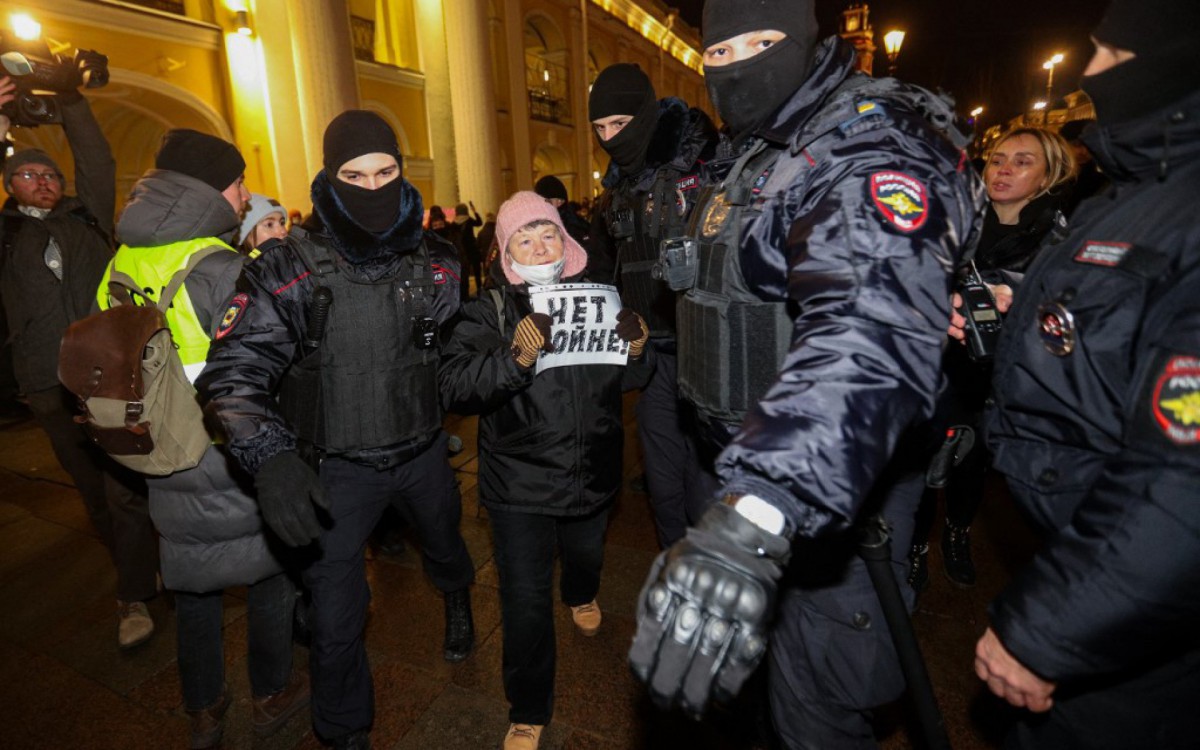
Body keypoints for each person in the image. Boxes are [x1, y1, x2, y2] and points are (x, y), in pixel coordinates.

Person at [627, 2, 983, 747]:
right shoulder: (757, 150)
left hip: (828, 494)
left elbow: (868, 329)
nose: (737, 67)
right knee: (755, 696)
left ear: (807, 41)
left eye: (759, 43)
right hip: (744, 463)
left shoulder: (868, 142)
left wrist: (753, 519)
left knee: (818, 709)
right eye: (717, 52)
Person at [197, 110, 475, 750]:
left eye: (386, 172)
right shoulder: (287, 265)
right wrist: (270, 456)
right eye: (354, 175)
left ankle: (456, 595)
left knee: (445, 543)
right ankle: (344, 733)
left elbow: (450, 351)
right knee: (337, 618)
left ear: (403, 172)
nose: (372, 188)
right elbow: (234, 371)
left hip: (423, 448)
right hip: (335, 471)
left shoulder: (437, 259)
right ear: (328, 176)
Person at [971, 3, 1200, 747]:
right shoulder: (1137, 194)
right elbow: (1101, 342)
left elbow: (1182, 481)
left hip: (1132, 605)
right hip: (1079, 546)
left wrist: (1051, 629)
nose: (1085, 72)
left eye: (1104, 55)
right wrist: (1010, 328)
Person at [100, 129, 308, 749]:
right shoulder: (222, 266)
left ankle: (203, 710)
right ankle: (271, 695)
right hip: (228, 446)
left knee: (193, 585)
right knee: (271, 572)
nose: (246, 196)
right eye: (240, 182)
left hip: (160, 449)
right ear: (216, 186)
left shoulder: (122, 259)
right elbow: (269, 364)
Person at [440, 191, 650, 750]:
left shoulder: (599, 297)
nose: (539, 248)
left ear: (566, 241)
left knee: (585, 555)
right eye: (523, 239)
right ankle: (528, 707)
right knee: (524, 599)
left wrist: (637, 349)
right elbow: (456, 384)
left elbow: (629, 380)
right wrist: (514, 360)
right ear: (507, 253)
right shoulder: (489, 310)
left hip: (591, 469)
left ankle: (582, 592)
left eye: (547, 234)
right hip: (521, 483)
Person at [0, 75, 159, 648]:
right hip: (45, 382)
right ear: (9, 183)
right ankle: (135, 563)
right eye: (29, 174)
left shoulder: (85, 215)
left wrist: (71, 100)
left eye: (50, 175)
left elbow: (98, 156)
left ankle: (134, 594)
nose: (43, 182)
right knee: (92, 490)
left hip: (105, 372)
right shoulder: (5, 233)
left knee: (122, 483)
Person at [909, 128, 1075, 591]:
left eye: (1023, 161)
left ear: (1050, 173)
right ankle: (917, 547)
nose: (1003, 169)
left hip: (1009, 379)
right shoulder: (951, 220)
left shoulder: (1066, 237)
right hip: (939, 366)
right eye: (998, 158)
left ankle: (958, 532)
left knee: (974, 463)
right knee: (923, 461)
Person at [587, 63, 720, 548]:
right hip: (653, 360)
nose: (608, 137)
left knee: (707, 490)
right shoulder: (616, 189)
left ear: (644, 115)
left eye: (618, 124)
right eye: (599, 129)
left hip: (709, 354)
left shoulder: (704, 164)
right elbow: (601, 270)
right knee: (664, 487)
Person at [533, 175, 590, 247]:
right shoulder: (533, 226)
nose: (557, 206)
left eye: (560, 201)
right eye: (549, 202)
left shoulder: (577, 226)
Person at [236, 193, 290, 258]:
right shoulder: (236, 267)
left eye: (282, 223)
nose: (283, 231)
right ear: (246, 234)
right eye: (269, 225)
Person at [453, 201, 483, 295]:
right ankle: (480, 290)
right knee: (477, 272)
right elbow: (479, 222)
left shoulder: (454, 224)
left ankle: (466, 293)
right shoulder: (469, 220)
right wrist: (474, 211)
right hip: (472, 249)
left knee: (464, 274)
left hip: (462, 252)